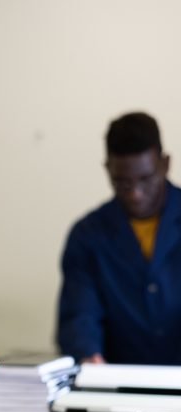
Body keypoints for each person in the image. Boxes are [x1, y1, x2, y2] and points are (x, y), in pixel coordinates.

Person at [57, 111, 181, 365]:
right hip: (116, 386)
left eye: (146, 180)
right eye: (122, 182)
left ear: (165, 164)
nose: (135, 194)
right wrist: (88, 355)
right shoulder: (87, 235)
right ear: (108, 170)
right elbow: (80, 313)